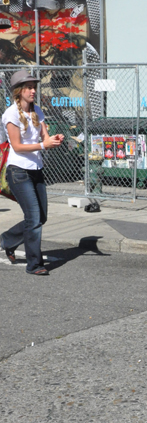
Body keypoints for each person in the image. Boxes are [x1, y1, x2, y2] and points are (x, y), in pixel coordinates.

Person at [0, 69, 63, 275]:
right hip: (18, 171)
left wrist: (54, 139)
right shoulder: (11, 114)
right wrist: (44, 145)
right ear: (19, 91)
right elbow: (17, 146)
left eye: (34, 87)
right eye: (28, 87)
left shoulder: (36, 111)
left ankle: (6, 241)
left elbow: (45, 135)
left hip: (36, 169)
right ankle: (34, 264)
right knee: (33, 218)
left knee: (40, 217)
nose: (33, 91)